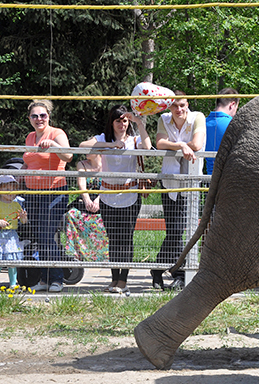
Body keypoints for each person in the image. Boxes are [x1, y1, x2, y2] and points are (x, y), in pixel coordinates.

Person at [79, 105, 152, 295]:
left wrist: (138, 122)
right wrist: (110, 146)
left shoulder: (133, 139)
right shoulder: (103, 139)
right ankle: (113, 279)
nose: (122, 124)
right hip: (107, 195)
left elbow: (147, 146)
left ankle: (123, 280)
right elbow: (82, 147)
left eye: (125, 120)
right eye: (118, 120)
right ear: (112, 122)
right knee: (113, 238)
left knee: (126, 238)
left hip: (130, 195)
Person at [151, 91, 206, 290]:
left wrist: (177, 146)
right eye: (175, 106)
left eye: (182, 105)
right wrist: (182, 145)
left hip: (191, 183)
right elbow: (159, 143)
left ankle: (164, 270)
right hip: (170, 183)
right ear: (169, 107)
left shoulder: (197, 117)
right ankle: (177, 273)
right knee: (174, 230)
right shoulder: (163, 119)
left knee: (182, 230)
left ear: (187, 104)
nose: (179, 109)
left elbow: (198, 144)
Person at [23, 100, 73, 293]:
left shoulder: (57, 133)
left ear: (48, 116)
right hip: (32, 192)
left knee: (47, 235)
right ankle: (44, 278)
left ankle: (57, 279)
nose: (39, 119)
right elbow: (28, 162)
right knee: (39, 236)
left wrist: (52, 145)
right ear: (29, 119)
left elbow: (69, 156)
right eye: (34, 116)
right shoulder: (29, 137)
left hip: (54, 191)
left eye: (42, 115)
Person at [0, 175, 28, 288]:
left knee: (12, 261)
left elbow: (24, 221)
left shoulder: (17, 204)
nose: (10, 193)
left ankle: (13, 284)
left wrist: (23, 217)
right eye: (7, 189)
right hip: (1, 234)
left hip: (11, 235)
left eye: (13, 190)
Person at [205, 88, 239, 175]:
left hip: (209, 178)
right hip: (228, 177)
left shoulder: (202, 123)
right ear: (232, 105)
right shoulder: (233, 124)